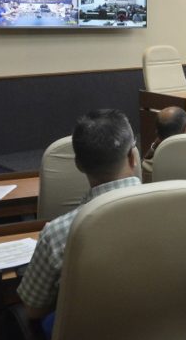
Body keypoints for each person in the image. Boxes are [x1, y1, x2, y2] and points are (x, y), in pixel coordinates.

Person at [17, 109, 141, 322]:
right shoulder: (178, 211)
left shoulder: (57, 234)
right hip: (170, 335)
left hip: (93, 339)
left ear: (78, 165)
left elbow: (33, 309)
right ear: (133, 156)